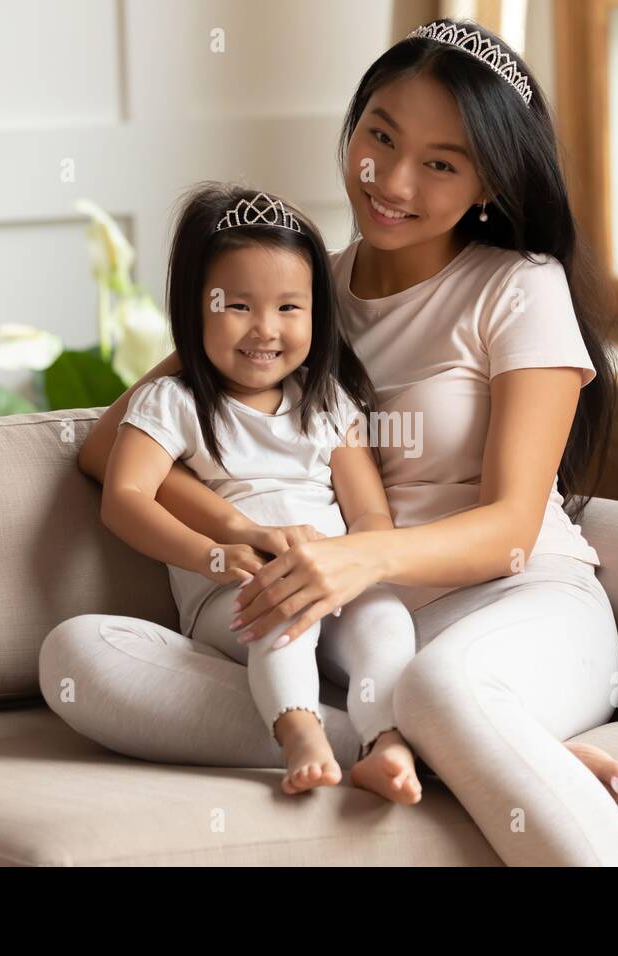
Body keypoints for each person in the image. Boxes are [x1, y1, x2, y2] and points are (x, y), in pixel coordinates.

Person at [42, 18, 618, 866]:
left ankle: (447, 733)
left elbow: (511, 530)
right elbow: (111, 451)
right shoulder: (293, 294)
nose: (391, 180)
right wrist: (245, 532)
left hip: (517, 607)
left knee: (438, 685)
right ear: (353, 125)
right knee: (84, 659)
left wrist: (358, 557)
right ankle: (418, 747)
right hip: (349, 638)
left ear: (489, 182)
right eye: (380, 136)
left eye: (441, 161)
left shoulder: (518, 287)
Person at [102, 182, 421, 804]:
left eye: (288, 308)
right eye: (237, 305)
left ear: (316, 312)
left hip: (332, 576)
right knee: (278, 615)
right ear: (192, 307)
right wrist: (213, 556)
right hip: (236, 589)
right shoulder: (172, 403)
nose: (264, 330)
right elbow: (125, 497)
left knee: (386, 621)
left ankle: (387, 739)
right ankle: (299, 731)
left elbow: (370, 513)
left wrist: (354, 567)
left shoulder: (327, 402)